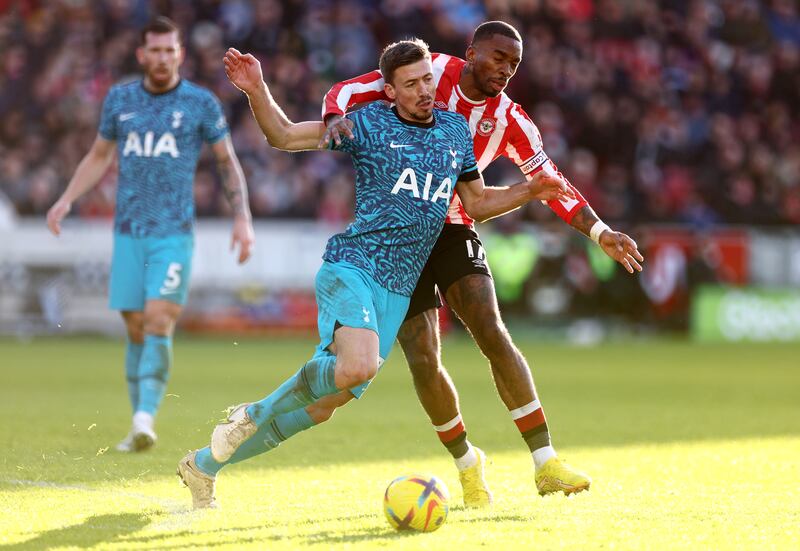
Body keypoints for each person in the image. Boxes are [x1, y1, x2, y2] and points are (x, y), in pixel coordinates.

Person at [176, 39, 573, 509]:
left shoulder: (452, 132)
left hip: (397, 292)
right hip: (355, 267)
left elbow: (478, 203)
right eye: (411, 84)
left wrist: (528, 191)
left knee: (323, 407)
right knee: (358, 367)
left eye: (428, 79)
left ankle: (204, 465)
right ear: (390, 91)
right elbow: (283, 136)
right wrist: (257, 89)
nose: (425, 90)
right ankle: (252, 413)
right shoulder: (367, 125)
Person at [319, 21, 645, 503]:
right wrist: (331, 118)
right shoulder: (432, 73)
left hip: (452, 228)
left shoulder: (511, 119)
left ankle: (545, 461)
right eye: (497, 57)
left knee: (491, 330)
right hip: (399, 234)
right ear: (471, 53)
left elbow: (551, 182)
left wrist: (600, 231)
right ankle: (468, 464)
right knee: (424, 357)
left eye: (513, 64)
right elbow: (353, 88)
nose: (505, 70)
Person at [46, 17, 255, 453]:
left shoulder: (200, 103)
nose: (162, 58)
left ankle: (145, 420)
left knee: (159, 319)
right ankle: (138, 417)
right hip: (128, 233)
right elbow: (99, 155)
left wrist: (242, 217)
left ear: (180, 54)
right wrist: (66, 199)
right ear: (142, 55)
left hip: (173, 233)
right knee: (136, 326)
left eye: (169, 50)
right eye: (154, 50)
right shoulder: (120, 100)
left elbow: (226, 160)